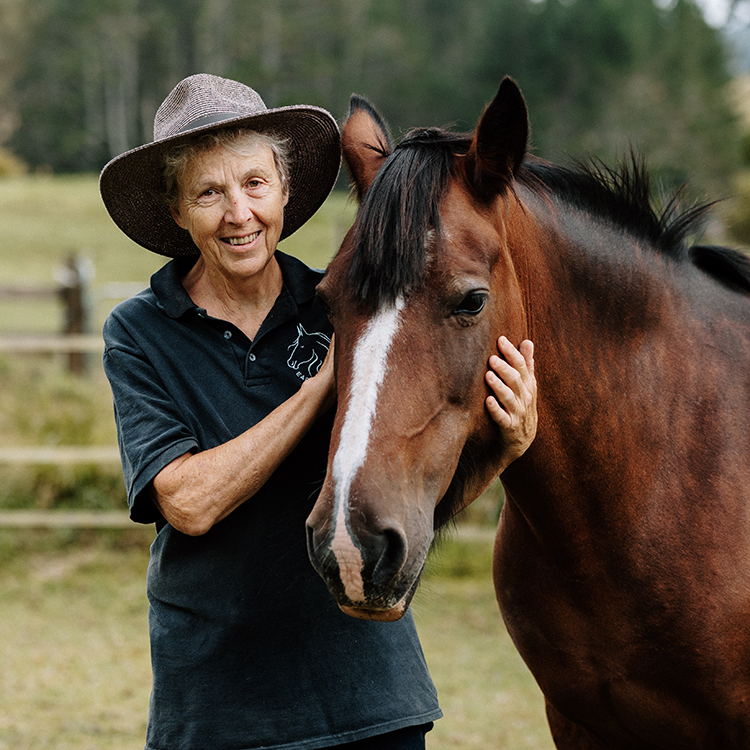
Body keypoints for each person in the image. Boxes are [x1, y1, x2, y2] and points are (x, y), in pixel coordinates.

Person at [99, 74, 537, 750]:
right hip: (217, 705)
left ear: (284, 191)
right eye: (210, 193)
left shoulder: (342, 305)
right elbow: (187, 502)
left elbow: (411, 492)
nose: (239, 213)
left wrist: (506, 447)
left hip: (370, 697)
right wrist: (314, 389)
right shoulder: (141, 331)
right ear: (178, 211)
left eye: (253, 184)